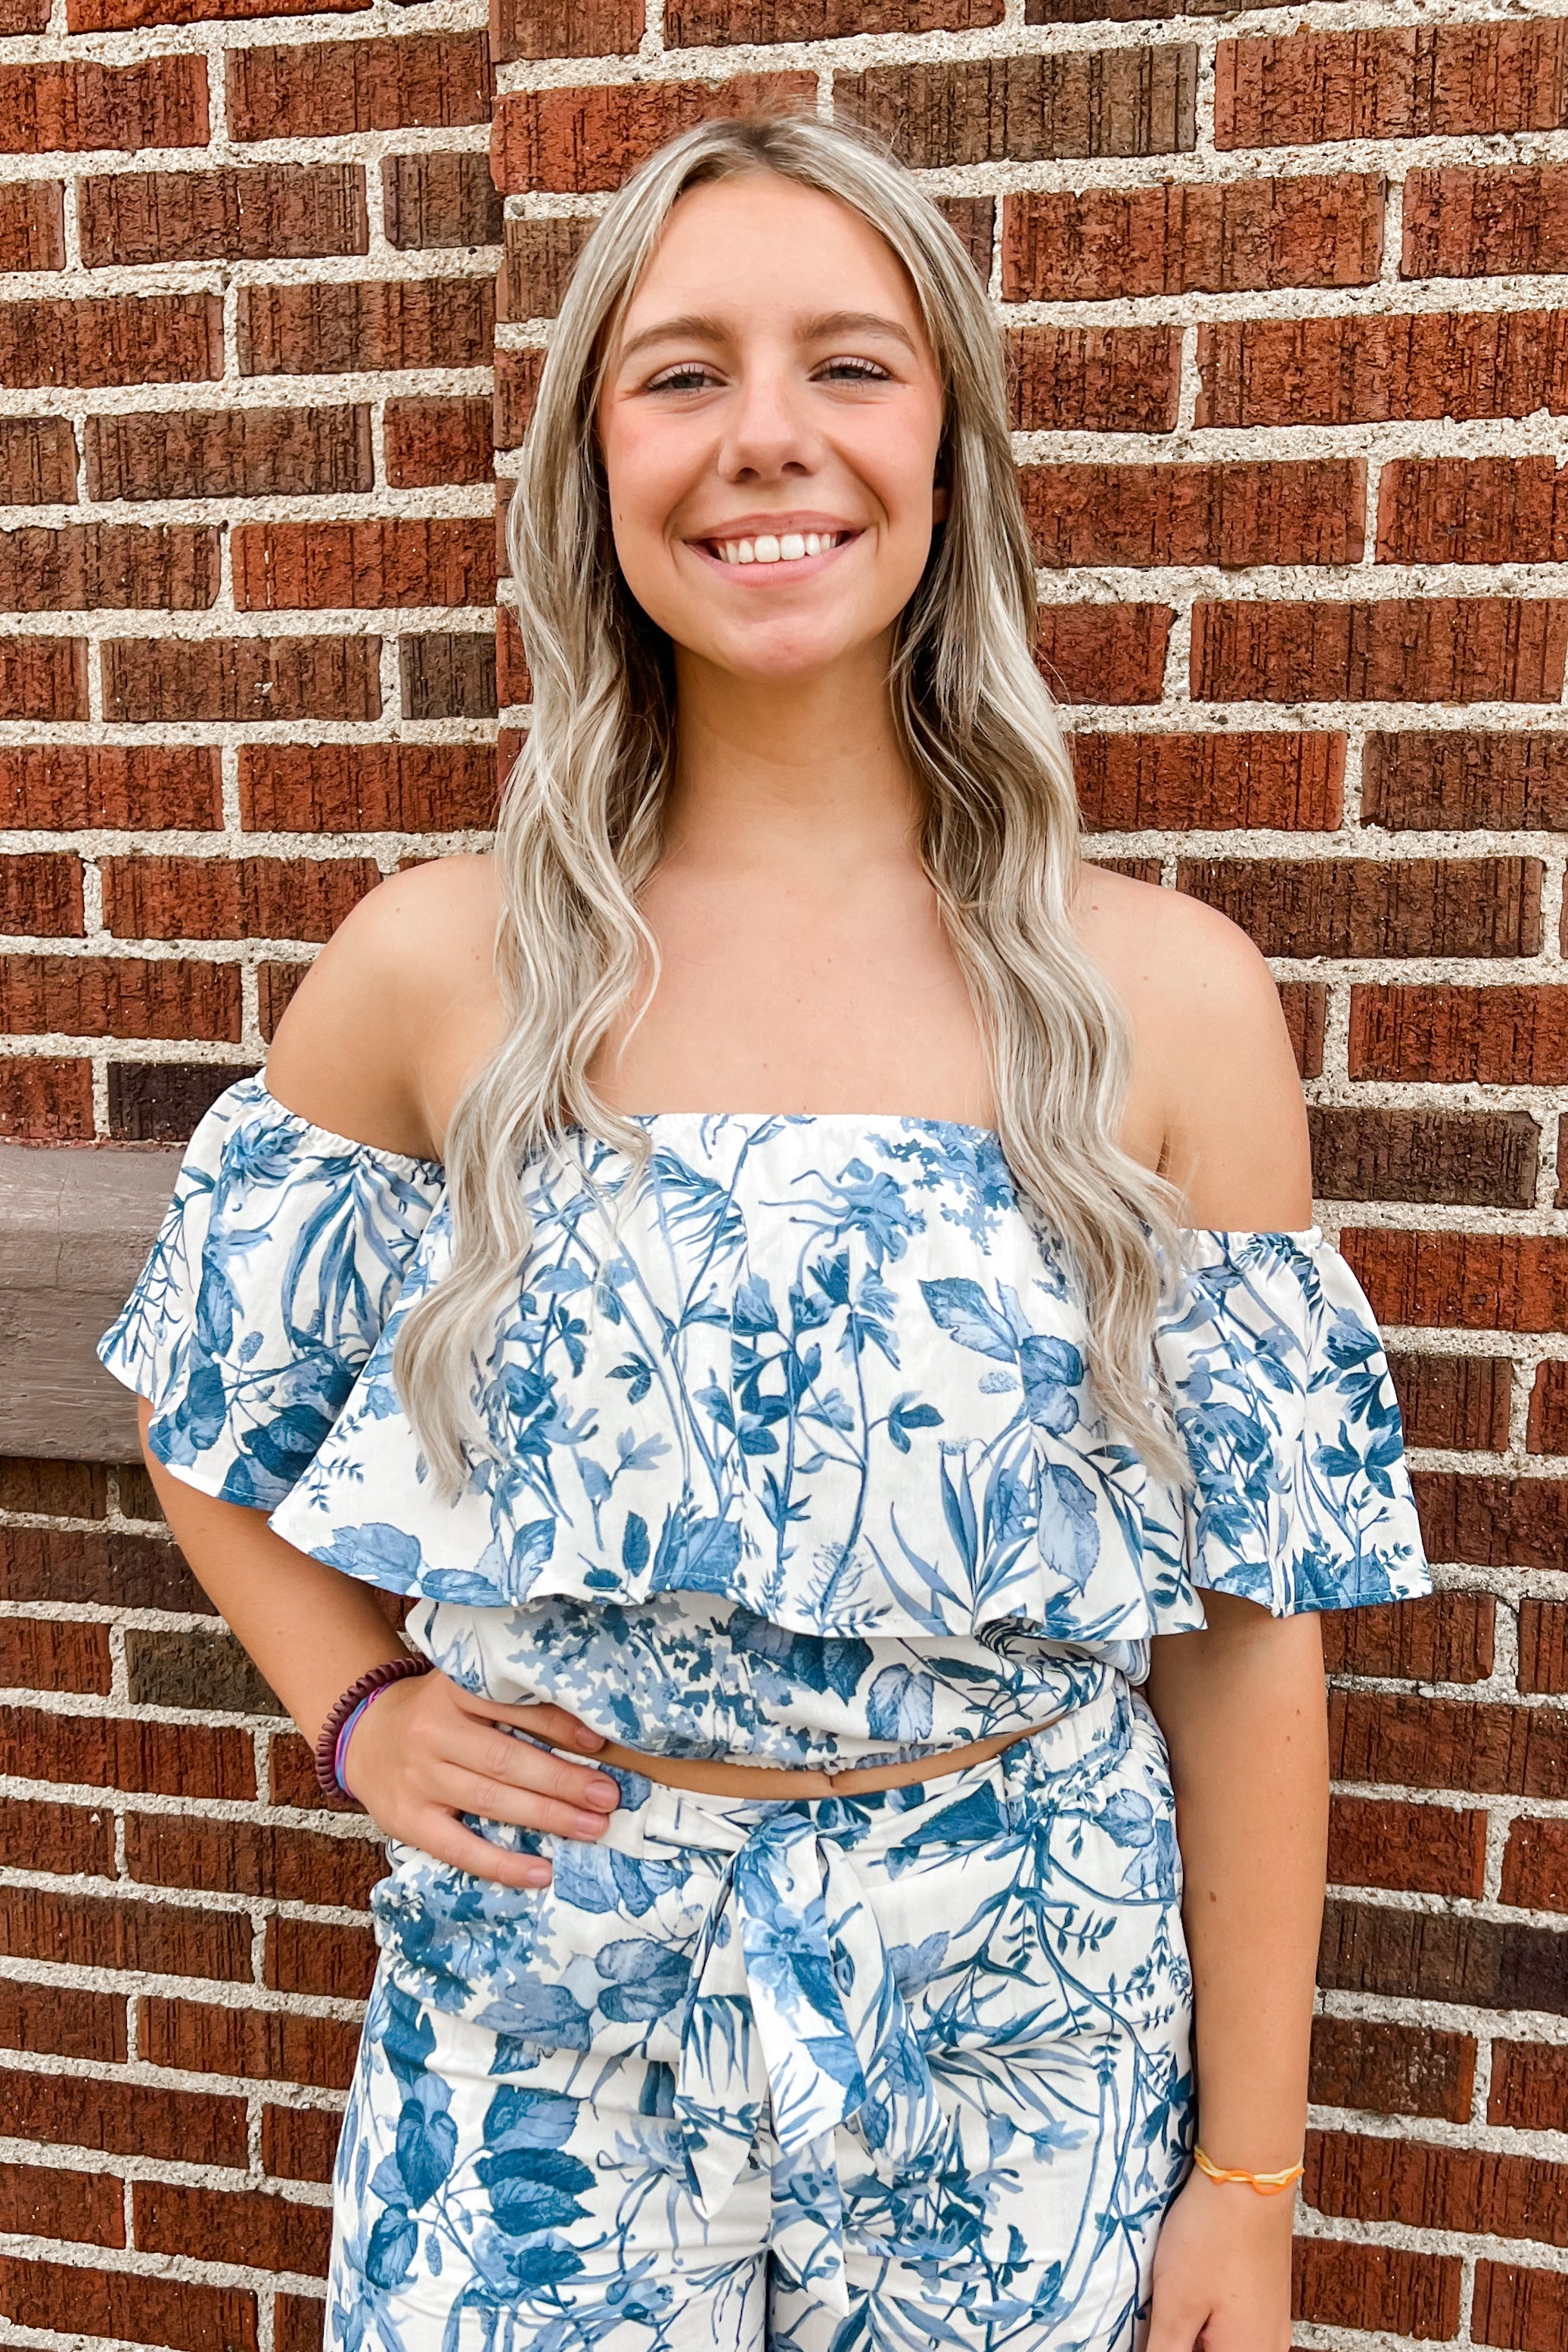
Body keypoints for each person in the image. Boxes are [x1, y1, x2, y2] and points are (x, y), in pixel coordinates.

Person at [99, 113, 1432, 2352]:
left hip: (1025, 2037)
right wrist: (353, 1714)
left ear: (949, 449)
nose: (767, 440)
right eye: (681, 372)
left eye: (850, 364)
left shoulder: (1169, 996)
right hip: (540, 2025)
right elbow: (202, 1419)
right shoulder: (442, 968)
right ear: (589, 465)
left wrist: (1251, 2178)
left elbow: (1244, 1639)